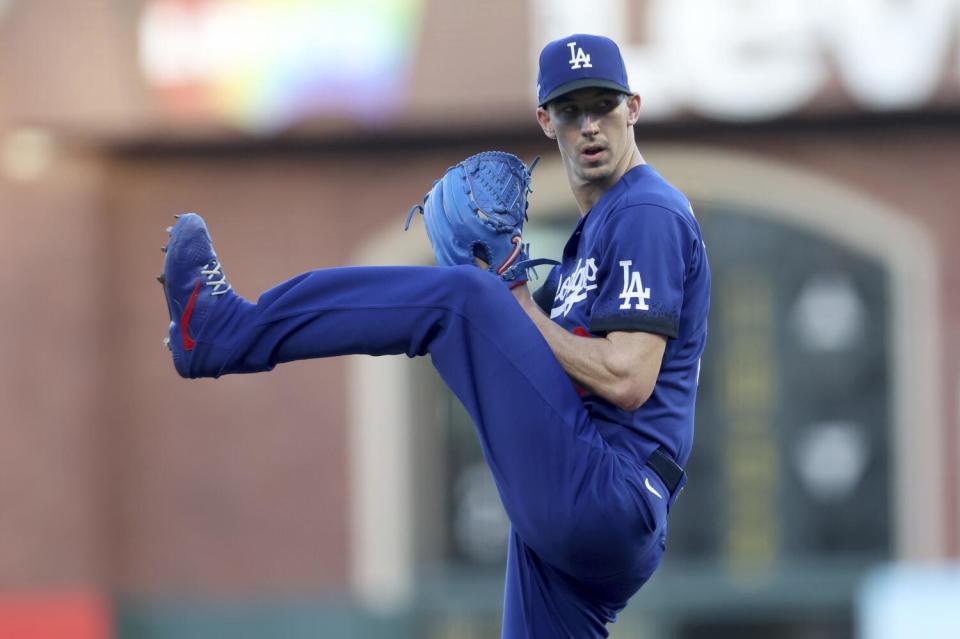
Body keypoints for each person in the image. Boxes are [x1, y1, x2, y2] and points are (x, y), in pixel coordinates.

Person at [159, 33, 709, 639]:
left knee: (464, 299)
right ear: (545, 119)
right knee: (479, 301)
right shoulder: (594, 234)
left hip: (609, 489)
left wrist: (511, 304)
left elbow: (628, 378)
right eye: (571, 110)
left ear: (633, 107)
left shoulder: (645, 211)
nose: (589, 126)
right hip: (585, 513)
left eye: (602, 105)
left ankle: (225, 331)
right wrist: (517, 308)